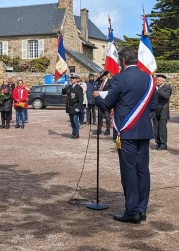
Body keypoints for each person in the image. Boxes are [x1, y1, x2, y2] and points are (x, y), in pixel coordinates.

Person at [93, 46, 157, 224]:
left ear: (122, 61)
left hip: (126, 131)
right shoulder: (149, 79)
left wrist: (97, 96)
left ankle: (132, 211)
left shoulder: (119, 79)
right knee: (142, 171)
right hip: (143, 130)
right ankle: (142, 209)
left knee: (128, 170)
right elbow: (152, 106)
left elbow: (107, 104)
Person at [152, 75, 172, 150]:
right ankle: (158, 143)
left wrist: (157, 90)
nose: (156, 81)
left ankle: (163, 144)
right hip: (155, 110)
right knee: (155, 127)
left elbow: (166, 96)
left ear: (162, 81)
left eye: (157, 80)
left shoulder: (167, 88)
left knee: (162, 128)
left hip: (163, 110)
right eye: (156, 80)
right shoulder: (154, 88)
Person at [63, 74, 84, 139]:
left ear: (77, 80)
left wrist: (78, 107)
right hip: (70, 107)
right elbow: (64, 92)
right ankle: (73, 133)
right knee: (72, 121)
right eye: (71, 78)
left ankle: (76, 134)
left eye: (73, 78)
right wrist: (64, 87)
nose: (72, 79)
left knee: (75, 121)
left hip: (75, 106)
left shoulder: (79, 88)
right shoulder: (70, 87)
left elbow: (81, 99)